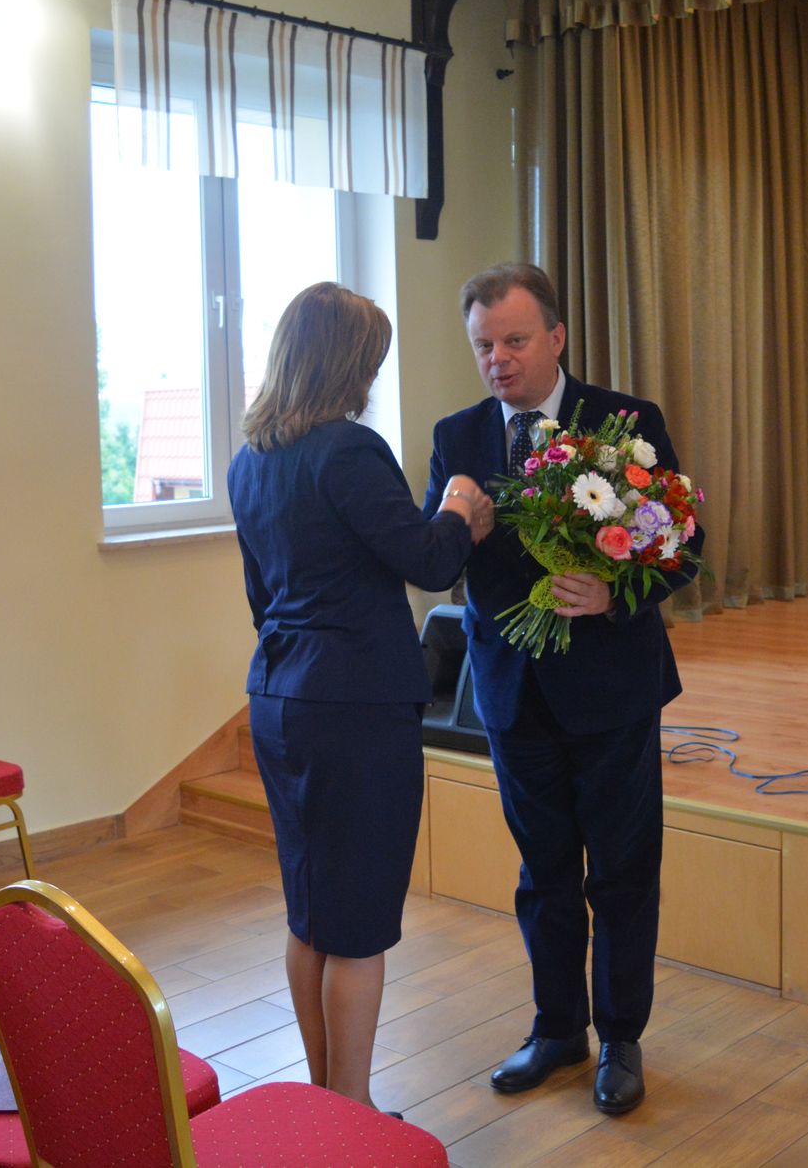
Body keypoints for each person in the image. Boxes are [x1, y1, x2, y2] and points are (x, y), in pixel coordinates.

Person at [422, 263, 703, 1115]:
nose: (497, 360)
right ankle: (556, 1030)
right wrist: (456, 523)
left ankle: (621, 1037)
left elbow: (683, 547)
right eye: (483, 345)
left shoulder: (625, 424)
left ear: (556, 336)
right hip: (511, 693)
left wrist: (615, 591)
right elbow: (437, 554)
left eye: (513, 340)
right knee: (543, 872)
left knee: (622, 871)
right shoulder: (457, 436)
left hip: (611, 689)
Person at [228, 282, 493, 1111]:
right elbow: (427, 559)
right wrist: (460, 510)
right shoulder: (347, 449)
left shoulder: (249, 459)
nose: (372, 378)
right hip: (354, 708)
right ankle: (352, 1113)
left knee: (311, 911)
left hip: (279, 693)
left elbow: (261, 596)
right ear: (343, 363)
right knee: (360, 923)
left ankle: (326, 1100)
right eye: (370, 361)